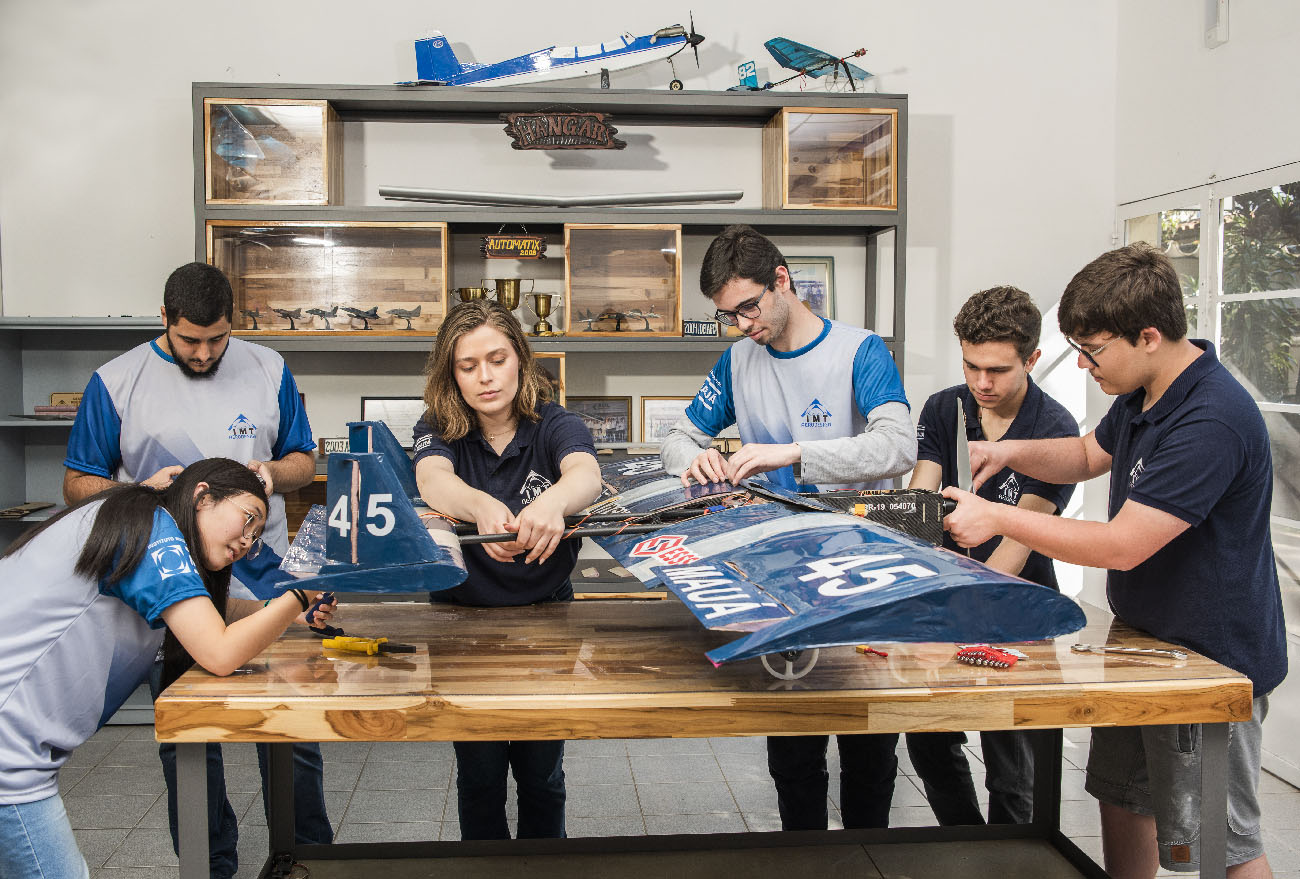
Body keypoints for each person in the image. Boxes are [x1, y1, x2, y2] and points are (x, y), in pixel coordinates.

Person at [943, 243, 1285, 878]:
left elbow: (1122, 544)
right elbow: (1082, 455)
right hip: (1144, 646)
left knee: (1221, 843)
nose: (1084, 363)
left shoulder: (1210, 419)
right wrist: (1010, 453)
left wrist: (996, 516)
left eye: (1094, 349)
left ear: (1148, 335)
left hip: (1209, 663)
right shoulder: (1146, 391)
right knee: (1124, 801)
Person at [61, 262, 331, 877]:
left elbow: (304, 463)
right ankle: (210, 869)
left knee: (294, 738)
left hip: (263, 575)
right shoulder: (116, 381)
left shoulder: (268, 368)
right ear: (163, 320)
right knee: (191, 743)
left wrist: (271, 474)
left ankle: (310, 859)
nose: (206, 353)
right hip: (172, 582)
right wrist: (133, 490)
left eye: (217, 339)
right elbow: (78, 484)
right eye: (190, 341)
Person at [660, 224, 916, 831]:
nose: (743, 324)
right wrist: (693, 459)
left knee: (867, 745)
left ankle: (865, 858)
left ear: (782, 281)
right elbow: (675, 437)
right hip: (778, 572)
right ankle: (801, 857)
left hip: (861, 566)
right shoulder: (738, 357)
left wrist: (795, 453)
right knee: (792, 741)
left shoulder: (861, 351)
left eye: (748, 307)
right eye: (729, 315)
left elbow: (898, 446)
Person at [0, 458, 330, 879]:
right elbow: (219, 652)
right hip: (9, 754)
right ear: (201, 496)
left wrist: (284, 613)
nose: (247, 542)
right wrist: (297, 597)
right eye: (247, 519)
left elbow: (204, 611)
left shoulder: (135, 517)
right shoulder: (155, 531)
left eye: (256, 533)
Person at [412, 299, 601, 839]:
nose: (485, 377)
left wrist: (553, 503)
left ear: (520, 357)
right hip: (461, 621)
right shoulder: (439, 425)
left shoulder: (554, 422)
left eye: (496, 359)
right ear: (452, 374)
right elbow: (432, 480)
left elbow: (585, 474)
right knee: (479, 776)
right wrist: (476, 503)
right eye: (468, 366)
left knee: (542, 776)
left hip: (547, 619)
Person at [902, 286, 1078, 826]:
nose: (982, 383)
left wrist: (960, 615)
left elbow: (1018, 545)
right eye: (971, 365)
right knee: (930, 746)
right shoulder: (944, 407)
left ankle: (1010, 858)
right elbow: (920, 506)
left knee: (1012, 769)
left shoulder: (1056, 431)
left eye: (998, 370)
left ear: (1032, 359)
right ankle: (965, 844)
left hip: (1016, 612)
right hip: (945, 602)